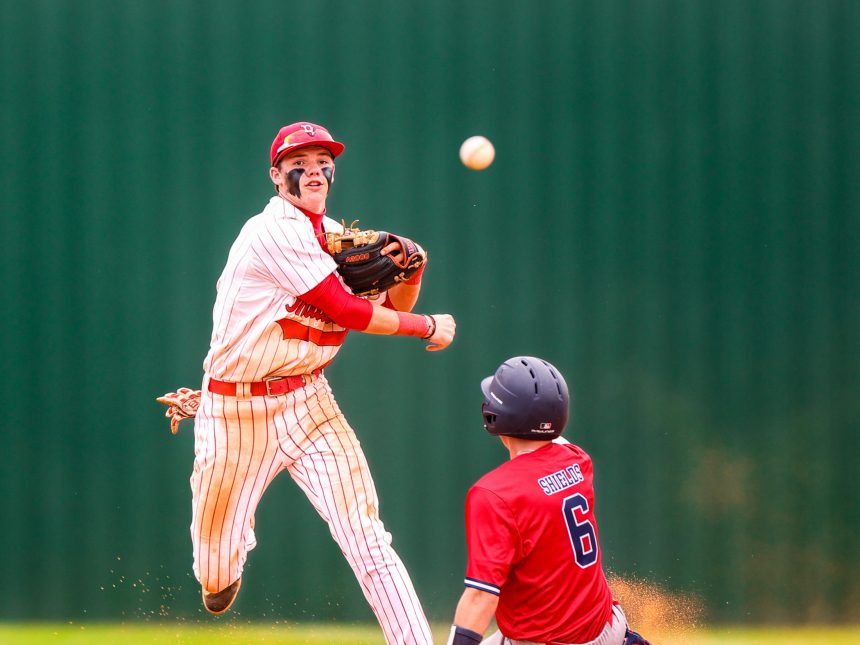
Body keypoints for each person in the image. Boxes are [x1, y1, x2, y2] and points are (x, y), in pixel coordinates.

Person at [159, 121, 454, 645]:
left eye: (323, 161)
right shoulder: (271, 231)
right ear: (277, 176)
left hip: (309, 402)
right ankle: (225, 566)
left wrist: (412, 274)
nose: (314, 169)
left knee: (367, 539)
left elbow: (385, 306)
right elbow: (346, 309)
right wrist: (427, 326)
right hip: (235, 414)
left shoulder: (334, 236)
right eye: (300, 162)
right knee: (213, 566)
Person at [446, 357, 650, 645]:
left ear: (493, 416)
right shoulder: (578, 461)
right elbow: (550, 435)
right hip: (608, 628)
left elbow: (481, 597)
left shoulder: (493, 493)